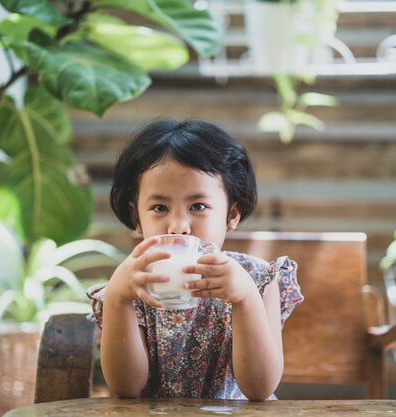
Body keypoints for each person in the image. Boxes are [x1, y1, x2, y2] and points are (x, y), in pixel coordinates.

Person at [87, 118, 303, 401]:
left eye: (198, 206)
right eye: (160, 207)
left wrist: (246, 298)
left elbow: (260, 389)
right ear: (136, 218)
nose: (179, 225)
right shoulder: (133, 284)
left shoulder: (257, 278)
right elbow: (126, 388)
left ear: (231, 215)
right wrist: (117, 299)